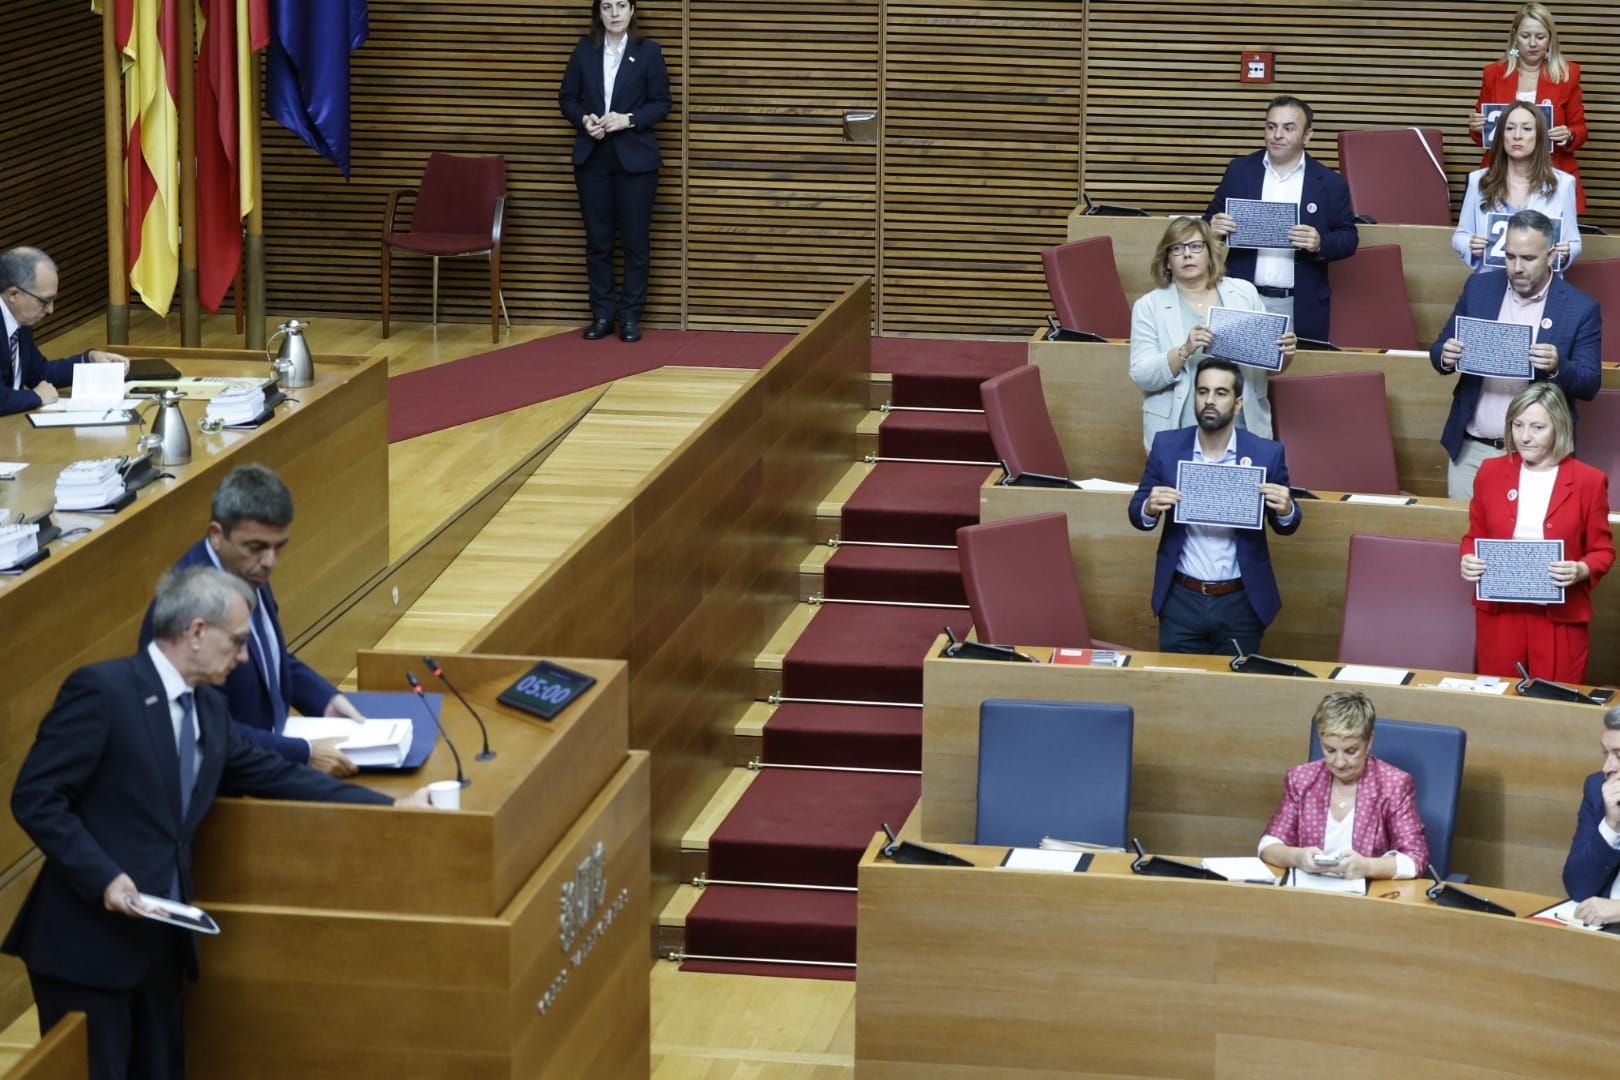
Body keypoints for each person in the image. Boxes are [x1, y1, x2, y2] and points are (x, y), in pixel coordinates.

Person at [4, 567, 431, 1079]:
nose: (246, 656)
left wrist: (389, 809)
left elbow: (275, 774)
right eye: (239, 641)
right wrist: (104, 877)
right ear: (197, 632)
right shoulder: (104, 691)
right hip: (87, 948)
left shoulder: (208, 707)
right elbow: (35, 797)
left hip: (161, 944)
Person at [139, 464, 365, 777]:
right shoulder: (188, 608)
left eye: (278, 547)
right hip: (223, 784)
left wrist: (324, 700)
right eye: (257, 547)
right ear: (217, 536)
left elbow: (270, 656)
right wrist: (303, 753)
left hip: (267, 756)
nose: (270, 562)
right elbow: (207, 729)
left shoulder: (245, 568)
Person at [1127, 358, 1301, 655]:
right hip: (1181, 597)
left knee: (1234, 694)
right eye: (1203, 391)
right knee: (1178, 688)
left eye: (1221, 393)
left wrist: (1287, 510)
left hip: (1241, 600)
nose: (1210, 400)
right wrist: (1149, 508)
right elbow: (1137, 511)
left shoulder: (1266, 453)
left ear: (1237, 403)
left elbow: (1287, 524)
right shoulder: (1167, 446)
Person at [1431, 208, 1601, 500]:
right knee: (1466, 539)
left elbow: (1589, 383)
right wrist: (1445, 355)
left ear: (1550, 256)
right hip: (1473, 450)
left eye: (1528, 258)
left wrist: (1558, 366)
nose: (1516, 267)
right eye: (1510, 256)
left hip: (1539, 455)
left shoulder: (1580, 307)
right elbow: (1440, 347)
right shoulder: (1479, 287)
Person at [1459, 382, 1611, 683]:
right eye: (1517, 425)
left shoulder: (1588, 481)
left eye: (1537, 427)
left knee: (1554, 707)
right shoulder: (1489, 472)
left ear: (1558, 427)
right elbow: (1473, 538)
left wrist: (1580, 569)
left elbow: (1603, 551)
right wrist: (1467, 559)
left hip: (1558, 618)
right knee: (1499, 702)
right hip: (1500, 612)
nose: (1524, 436)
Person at [1129, 217, 1297, 452]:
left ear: (1210, 253)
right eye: (1177, 249)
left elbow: (1269, 368)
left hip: (1241, 425)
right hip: (1177, 429)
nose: (1187, 254)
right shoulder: (1149, 306)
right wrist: (1184, 350)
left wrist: (1284, 354)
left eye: (1196, 246)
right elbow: (1142, 375)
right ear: (1167, 261)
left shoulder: (1243, 293)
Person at [1204, 94, 1359, 345]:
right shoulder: (1239, 171)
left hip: (1299, 303)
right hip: (1241, 296)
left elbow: (1349, 238)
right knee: (1237, 375)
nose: (1277, 135)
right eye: (1271, 126)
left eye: (1288, 128)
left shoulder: (1330, 183)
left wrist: (1320, 242)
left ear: (1307, 136)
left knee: (1296, 381)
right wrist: (1213, 228)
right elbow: (1207, 220)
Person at [558, 0, 670, 344]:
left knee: (636, 242)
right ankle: (603, 314)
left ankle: (631, 316)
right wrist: (584, 119)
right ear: (599, 13)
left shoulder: (649, 52)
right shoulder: (584, 50)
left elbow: (662, 104)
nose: (615, 13)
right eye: (607, 7)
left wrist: (628, 119)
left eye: (622, 5)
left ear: (633, 10)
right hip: (593, 157)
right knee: (598, 243)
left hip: (635, 159)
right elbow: (567, 98)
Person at [1258, 689, 1429, 880]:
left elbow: (1416, 860)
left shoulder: (1394, 785)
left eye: (1351, 751)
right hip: (1310, 893)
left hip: (1367, 897)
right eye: (1330, 750)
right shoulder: (1301, 779)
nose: (1339, 762)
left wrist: (1367, 867)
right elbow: (1268, 846)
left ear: (1369, 741)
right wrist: (1298, 857)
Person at [1469, 3, 1587, 212]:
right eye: (1525, 36)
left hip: (1551, 171)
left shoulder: (1567, 74)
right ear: (1514, 36)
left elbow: (1580, 129)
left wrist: (1569, 134)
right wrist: (1477, 126)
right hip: (1503, 173)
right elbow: (1481, 135)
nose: (1533, 43)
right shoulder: (1493, 74)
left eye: (1540, 37)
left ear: (1550, 38)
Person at [0, 246, 129, 416]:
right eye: (44, 301)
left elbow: (39, 373)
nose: (50, 310)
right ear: (14, 294)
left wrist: (89, 360)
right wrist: (36, 397)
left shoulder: (20, 321)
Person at [1453, 101, 1579, 272]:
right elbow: (1460, 236)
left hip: (1541, 284)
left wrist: (1566, 253)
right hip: (1490, 281)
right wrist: (1471, 245)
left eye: (1527, 129)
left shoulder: (1563, 184)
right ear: (1501, 135)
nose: (1517, 135)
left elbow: (1574, 242)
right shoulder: (1479, 180)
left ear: (1539, 136)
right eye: (1510, 128)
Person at [1562, 706, 1620, 924]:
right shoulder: (1598, 789)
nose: (1607, 767)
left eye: (1619, 755)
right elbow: (1578, 887)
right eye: (1606, 753)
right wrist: (1612, 824)